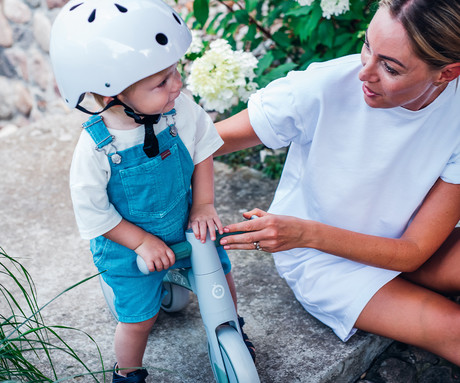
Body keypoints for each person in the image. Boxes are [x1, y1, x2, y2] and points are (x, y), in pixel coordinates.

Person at [215, 0, 460, 365]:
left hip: (409, 244)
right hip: (323, 259)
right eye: (367, 46)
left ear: (446, 73)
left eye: (390, 67)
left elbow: (413, 250)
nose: (365, 72)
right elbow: (202, 145)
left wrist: (303, 232)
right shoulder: (324, 87)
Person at [49, 0, 254, 381]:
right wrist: (141, 242)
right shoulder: (96, 147)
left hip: (184, 226)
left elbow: (203, 149)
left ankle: (231, 330)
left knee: (220, 278)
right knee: (138, 321)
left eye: (175, 72)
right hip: (128, 247)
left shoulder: (180, 110)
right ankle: (128, 373)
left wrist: (204, 204)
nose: (177, 84)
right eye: (160, 82)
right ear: (112, 96)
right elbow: (94, 214)